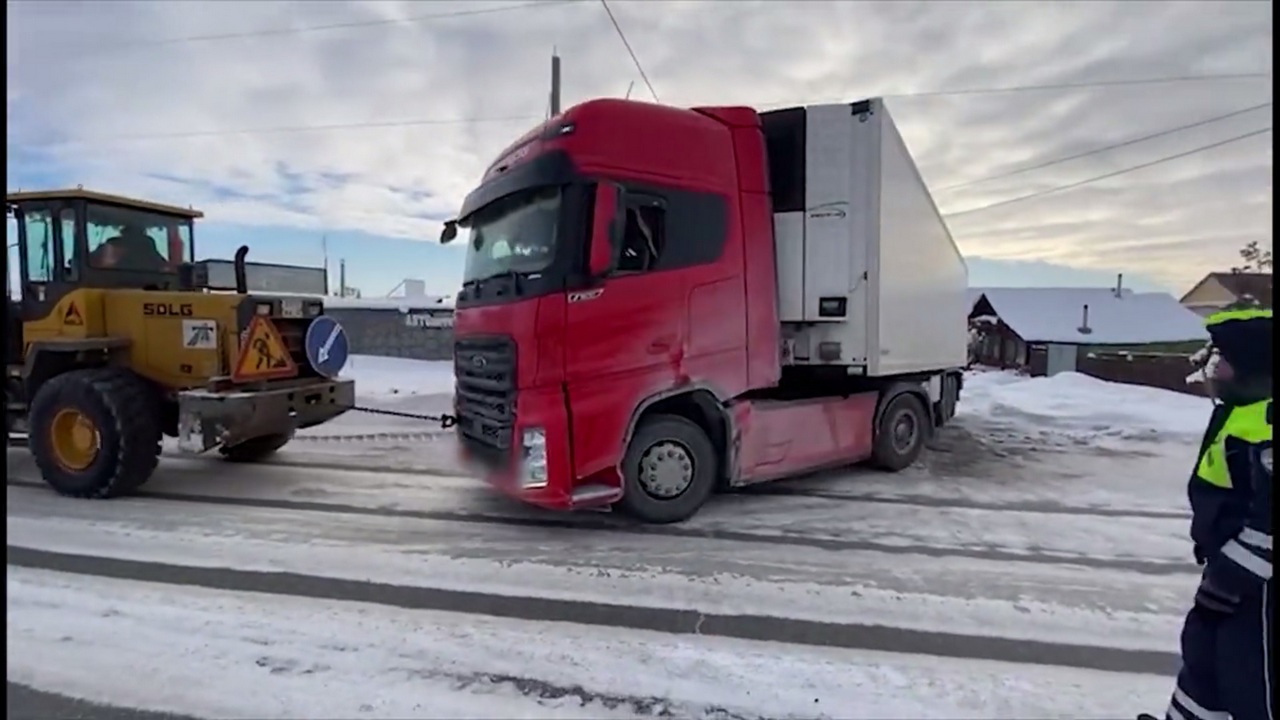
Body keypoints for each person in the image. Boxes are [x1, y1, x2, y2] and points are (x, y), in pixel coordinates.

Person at [1141, 308, 1273, 720]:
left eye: (1224, 362)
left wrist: (1235, 576)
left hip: (1260, 592)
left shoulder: (1267, 424)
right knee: (1205, 663)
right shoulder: (1242, 413)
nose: (1215, 372)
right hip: (1228, 574)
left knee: (1255, 685)